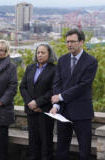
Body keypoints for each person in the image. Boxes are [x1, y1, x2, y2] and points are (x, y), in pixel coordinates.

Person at [49, 29, 98, 160]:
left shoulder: (91, 61)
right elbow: (57, 84)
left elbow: (83, 86)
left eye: (73, 41)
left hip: (82, 113)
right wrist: (57, 105)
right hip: (63, 112)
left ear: (81, 42)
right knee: (61, 150)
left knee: (84, 150)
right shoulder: (62, 60)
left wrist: (60, 97)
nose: (69, 44)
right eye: (67, 42)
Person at [20, 44, 57, 160]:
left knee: (46, 142)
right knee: (33, 142)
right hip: (31, 111)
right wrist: (30, 102)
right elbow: (23, 87)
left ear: (49, 54)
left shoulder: (54, 69)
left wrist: (37, 103)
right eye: (38, 52)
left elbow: (53, 90)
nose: (40, 55)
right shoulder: (30, 68)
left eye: (43, 52)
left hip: (44, 111)